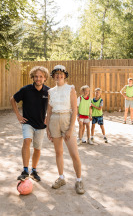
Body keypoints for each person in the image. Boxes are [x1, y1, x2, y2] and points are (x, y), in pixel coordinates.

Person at [46, 65, 85, 195]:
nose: (58, 75)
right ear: (53, 76)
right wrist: (47, 128)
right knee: (58, 152)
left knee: (74, 154)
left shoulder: (70, 89)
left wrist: (70, 129)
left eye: (61, 73)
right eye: (56, 74)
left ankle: (79, 180)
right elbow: (49, 111)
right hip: (54, 122)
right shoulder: (51, 91)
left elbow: (75, 109)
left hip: (67, 120)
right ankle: (61, 178)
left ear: (65, 75)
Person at [10, 66, 50, 182]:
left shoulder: (48, 91)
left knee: (37, 149)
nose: (38, 79)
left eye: (41, 77)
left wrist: (48, 116)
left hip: (41, 125)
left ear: (45, 78)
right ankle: (25, 170)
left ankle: (34, 170)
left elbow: (53, 105)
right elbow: (12, 99)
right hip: (28, 123)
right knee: (27, 141)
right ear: (32, 77)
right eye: (36, 76)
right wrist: (18, 115)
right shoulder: (26, 90)